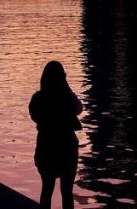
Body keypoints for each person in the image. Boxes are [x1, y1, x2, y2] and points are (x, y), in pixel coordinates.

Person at [29, 61, 83, 209]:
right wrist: (67, 89)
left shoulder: (37, 99)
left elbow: (34, 116)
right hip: (67, 148)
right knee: (67, 192)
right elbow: (79, 108)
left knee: (46, 189)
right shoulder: (67, 98)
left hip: (46, 147)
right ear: (63, 78)